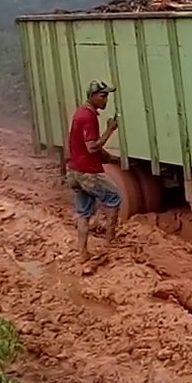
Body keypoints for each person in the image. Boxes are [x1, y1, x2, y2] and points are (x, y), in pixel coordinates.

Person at [66, 80, 121, 273]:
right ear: (93, 96)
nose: (106, 99)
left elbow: (90, 149)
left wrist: (111, 159)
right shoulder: (88, 117)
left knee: (83, 213)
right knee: (115, 198)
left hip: (74, 171)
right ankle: (109, 244)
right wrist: (110, 130)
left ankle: (82, 253)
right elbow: (92, 147)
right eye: (103, 96)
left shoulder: (80, 113)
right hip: (86, 172)